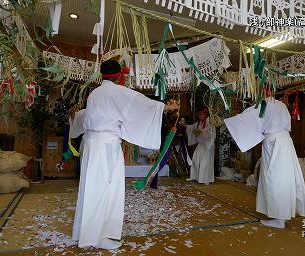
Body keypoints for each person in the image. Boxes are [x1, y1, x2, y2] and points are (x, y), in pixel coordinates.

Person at [69, 60, 178, 249]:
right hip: (107, 147)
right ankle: (102, 236)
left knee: (91, 188)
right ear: (119, 75)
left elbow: (88, 116)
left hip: (91, 144)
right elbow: (143, 104)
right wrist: (166, 108)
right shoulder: (117, 91)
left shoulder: (95, 93)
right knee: (108, 189)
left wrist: (74, 117)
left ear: (101, 74)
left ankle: (85, 234)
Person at [224, 97, 305, 229]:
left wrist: (231, 120)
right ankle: (282, 215)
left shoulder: (264, 104)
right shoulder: (281, 104)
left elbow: (248, 118)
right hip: (285, 142)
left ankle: (279, 219)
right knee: (284, 178)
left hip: (274, 144)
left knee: (274, 179)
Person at [180, 108, 216, 185]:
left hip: (208, 145)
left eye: (201, 114)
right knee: (195, 160)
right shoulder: (199, 123)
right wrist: (184, 125)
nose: (200, 116)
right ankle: (195, 177)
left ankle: (205, 179)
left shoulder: (210, 122)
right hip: (201, 144)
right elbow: (191, 128)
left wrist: (201, 132)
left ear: (205, 114)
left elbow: (210, 132)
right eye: (199, 115)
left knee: (205, 162)